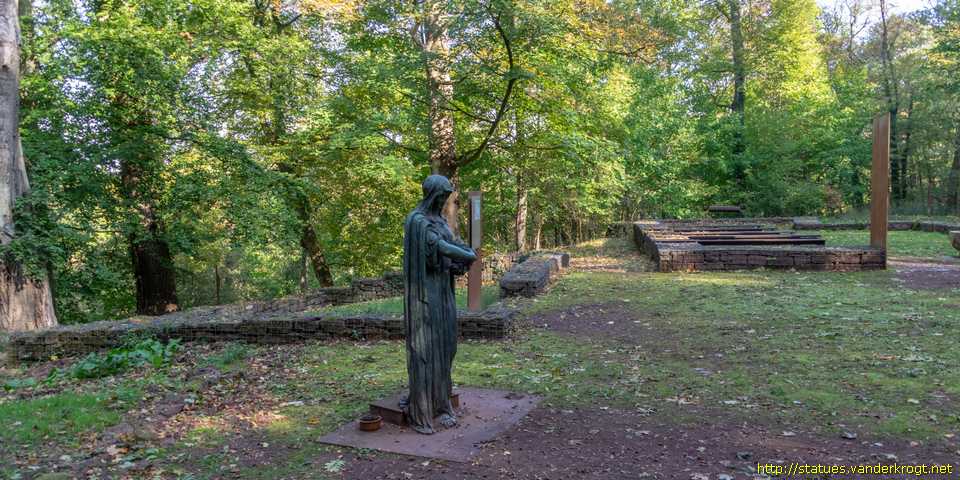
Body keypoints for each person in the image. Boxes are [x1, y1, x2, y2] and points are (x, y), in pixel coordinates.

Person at [402, 175, 477, 434]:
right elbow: (442, 247)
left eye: (448, 195)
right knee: (427, 349)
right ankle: (422, 407)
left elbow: (452, 243)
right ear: (432, 194)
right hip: (425, 294)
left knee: (447, 345)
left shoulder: (440, 221)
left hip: (443, 291)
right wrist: (467, 254)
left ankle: (442, 400)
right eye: (442, 195)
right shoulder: (417, 221)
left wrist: (463, 254)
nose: (445, 200)